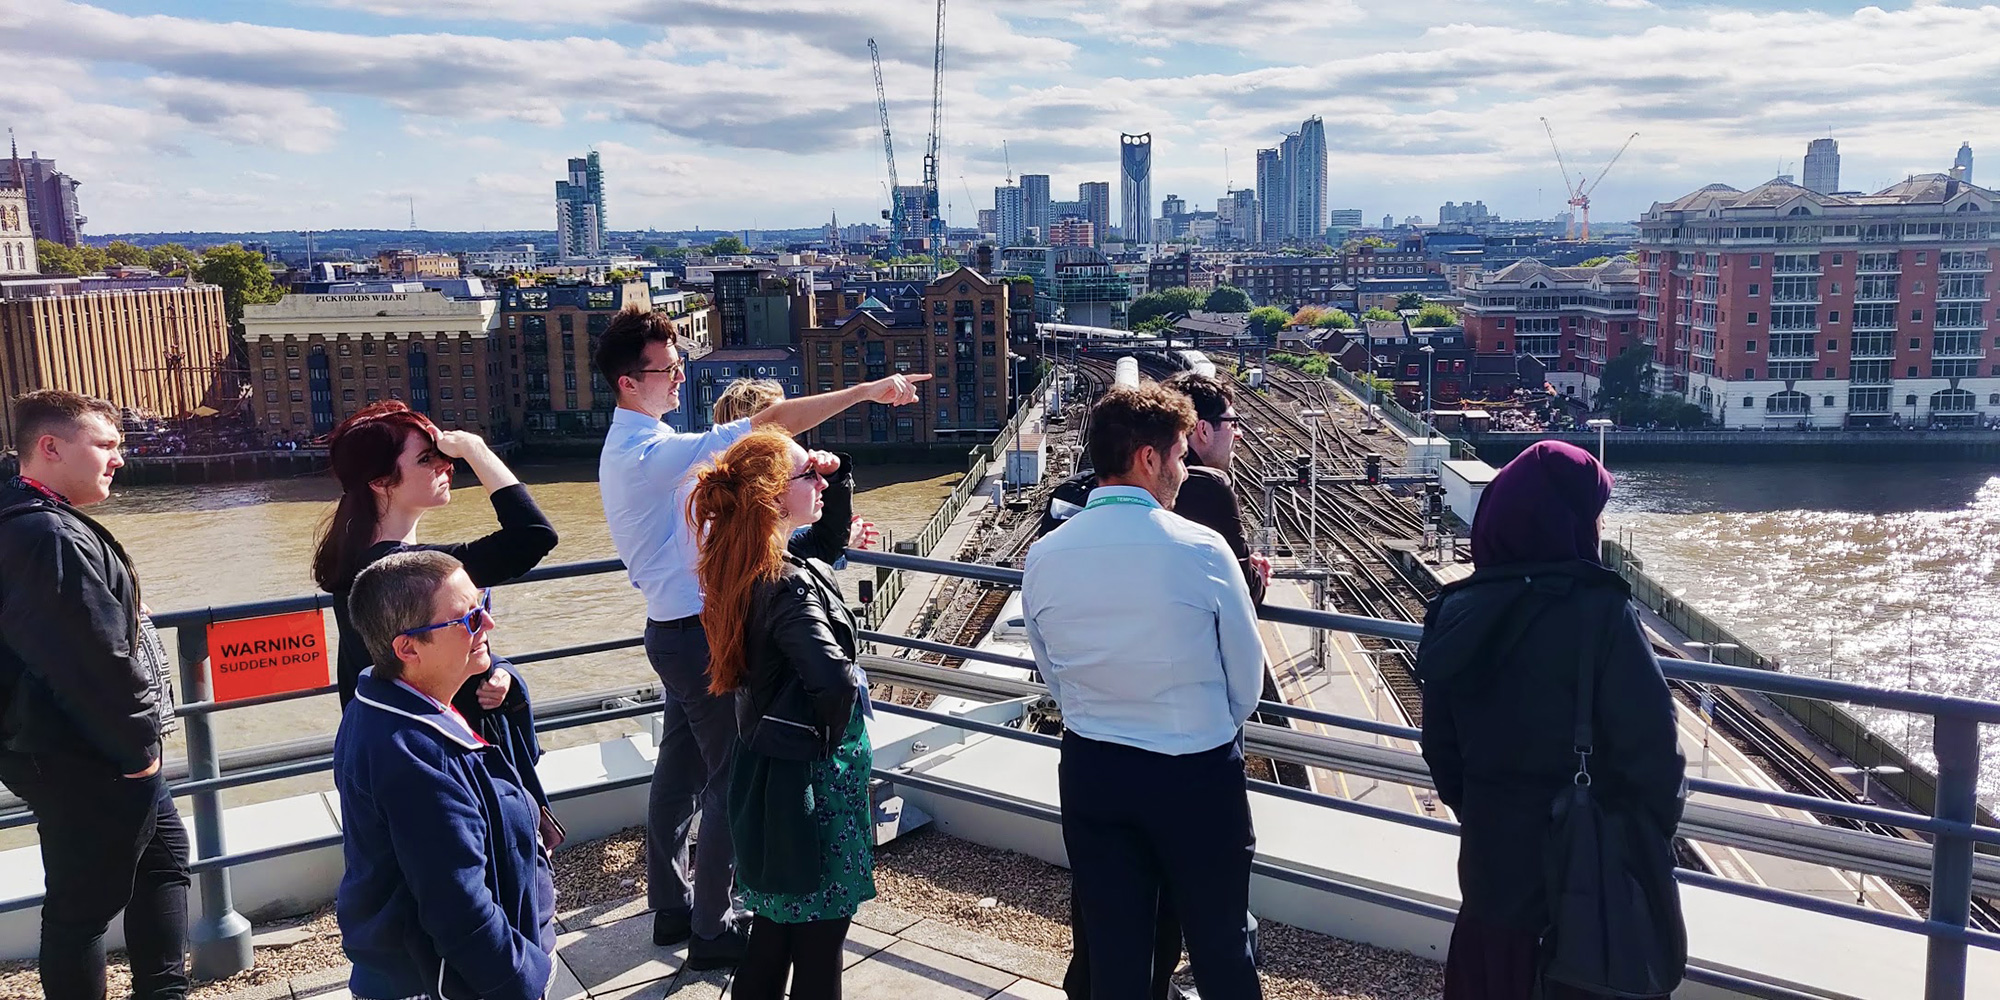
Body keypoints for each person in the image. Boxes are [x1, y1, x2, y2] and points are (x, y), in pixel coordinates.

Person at [594, 307, 925, 966]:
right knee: (729, 781)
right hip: (700, 632)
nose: (681, 376)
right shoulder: (647, 453)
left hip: (675, 629)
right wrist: (864, 391)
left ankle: (670, 908)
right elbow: (772, 425)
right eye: (667, 369)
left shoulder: (635, 447)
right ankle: (711, 931)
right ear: (629, 382)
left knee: (680, 770)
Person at [1414, 441, 1685, 1000]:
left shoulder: (1454, 611)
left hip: (1491, 866)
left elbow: (1441, 751)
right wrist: (1638, 840)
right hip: (1583, 879)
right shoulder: (1601, 613)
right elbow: (1655, 755)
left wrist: (1487, 810)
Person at [1023, 384, 1266, 1000]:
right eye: (1181, 455)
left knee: (1115, 951)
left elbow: (1052, 671)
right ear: (1149, 459)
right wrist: (1203, 724)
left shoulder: (1046, 556)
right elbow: (1248, 684)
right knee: (1219, 948)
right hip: (1196, 774)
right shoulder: (1203, 551)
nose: (1186, 471)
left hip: (1093, 768)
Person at [0, 390, 188, 1000]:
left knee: (163, 862)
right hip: (83, 754)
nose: (120, 459)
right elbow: (92, 663)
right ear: (50, 448)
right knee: (82, 911)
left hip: (74, 746)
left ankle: (164, 992)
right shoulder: (44, 535)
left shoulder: (31, 522)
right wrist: (139, 753)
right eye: (105, 445)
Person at [688, 431, 873, 1000]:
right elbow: (833, 678)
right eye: (806, 477)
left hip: (767, 762)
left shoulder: (741, 562)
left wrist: (834, 476)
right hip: (811, 780)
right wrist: (835, 741)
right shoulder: (788, 584)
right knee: (819, 941)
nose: (816, 482)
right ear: (771, 498)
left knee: (774, 931)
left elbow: (827, 538)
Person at [312, 402, 559, 821]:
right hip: (441, 756)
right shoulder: (407, 573)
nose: (446, 464)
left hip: (405, 745)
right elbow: (533, 536)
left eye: (444, 455)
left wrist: (495, 669)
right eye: (427, 458)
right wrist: (476, 450)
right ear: (380, 481)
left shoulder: (362, 559)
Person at [334, 550, 557, 1000]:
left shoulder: (391, 705)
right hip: (443, 985)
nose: (488, 625)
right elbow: (459, 910)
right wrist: (527, 978)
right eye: (469, 619)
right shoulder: (413, 756)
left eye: (484, 605)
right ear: (408, 648)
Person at [1161, 371, 1270, 604]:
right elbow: (1246, 591)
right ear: (1203, 430)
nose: (1239, 434)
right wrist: (1257, 575)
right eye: (1233, 423)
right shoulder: (1208, 489)